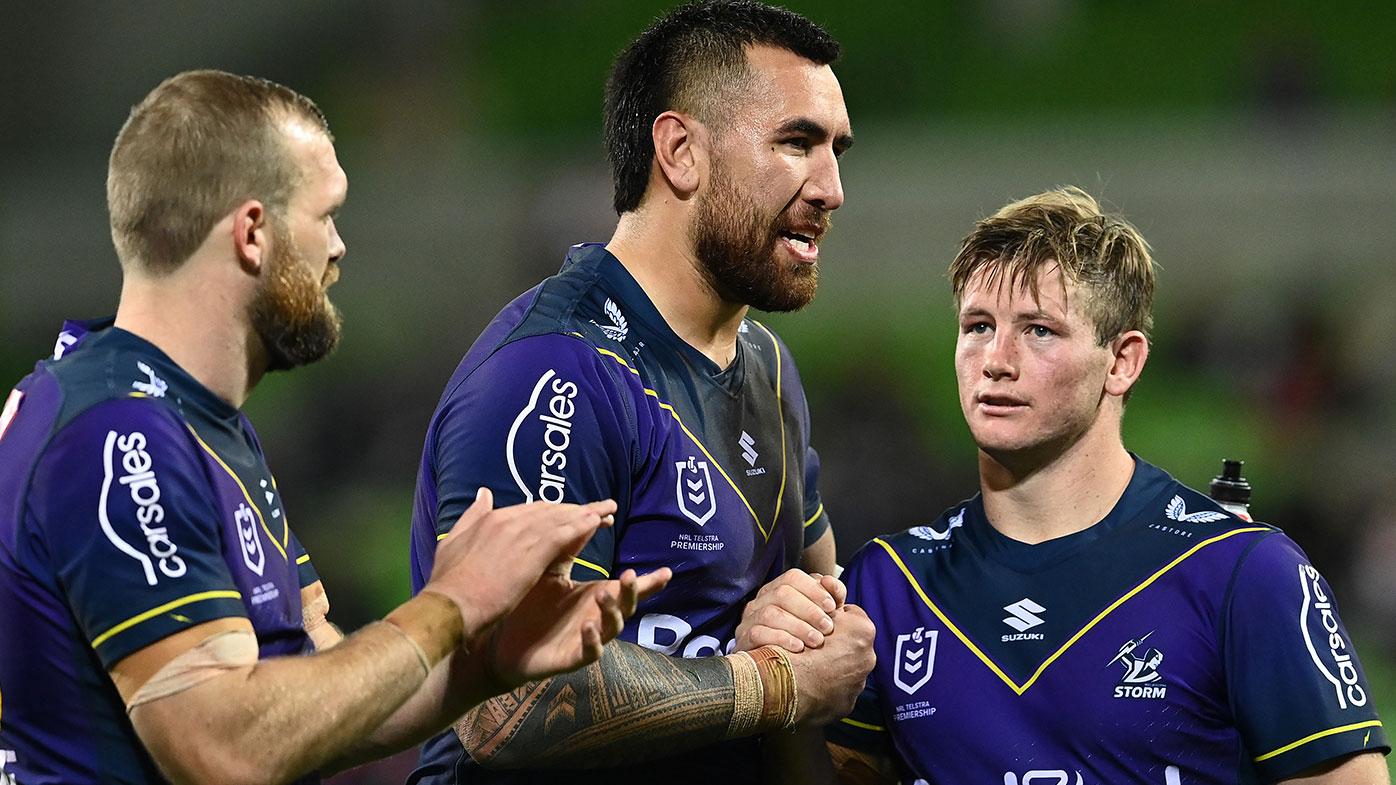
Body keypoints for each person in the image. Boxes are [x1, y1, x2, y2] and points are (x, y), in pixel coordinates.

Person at [0, 69, 669, 785]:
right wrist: (452, 602)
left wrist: (481, 658)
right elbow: (220, 747)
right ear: (253, 232)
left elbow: (315, 689)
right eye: (326, 215)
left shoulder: (192, 421)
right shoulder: (115, 435)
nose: (340, 248)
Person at [407, 2, 876, 783]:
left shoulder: (765, 363)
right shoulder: (557, 373)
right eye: (797, 143)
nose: (832, 187)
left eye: (836, 150)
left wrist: (811, 624)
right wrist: (770, 681)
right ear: (681, 151)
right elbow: (509, 707)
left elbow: (826, 604)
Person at [825, 187, 1390, 784]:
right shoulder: (888, 583)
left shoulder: (1242, 572)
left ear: (1122, 362)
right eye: (978, 325)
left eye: (1039, 330)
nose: (996, 358)